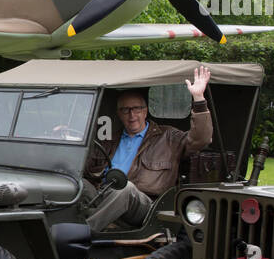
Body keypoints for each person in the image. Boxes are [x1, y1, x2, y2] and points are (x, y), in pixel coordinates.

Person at [82, 66, 213, 232]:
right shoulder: (110, 141)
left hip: (145, 206)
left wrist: (198, 98)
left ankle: (84, 232)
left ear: (145, 111)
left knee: (125, 188)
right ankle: (55, 228)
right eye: (126, 110)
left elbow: (201, 139)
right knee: (76, 184)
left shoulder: (169, 137)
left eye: (136, 109)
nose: (132, 115)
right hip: (104, 198)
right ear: (119, 114)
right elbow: (85, 170)